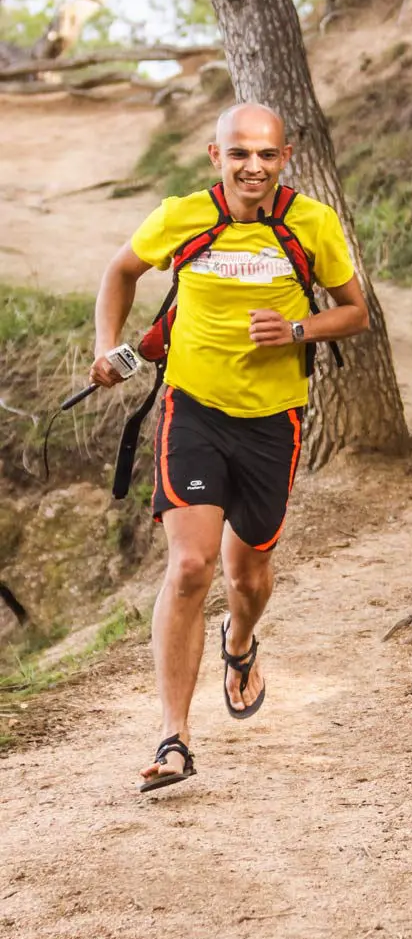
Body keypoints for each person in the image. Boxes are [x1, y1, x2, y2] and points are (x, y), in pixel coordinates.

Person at [91, 102, 369, 791]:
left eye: (267, 155)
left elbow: (355, 311)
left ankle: (239, 643)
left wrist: (300, 331)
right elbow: (121, 272)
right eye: (239, 154)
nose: (253, 167)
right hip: (193, 413)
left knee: (248, 578)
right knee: (189, 567)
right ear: (216, 157)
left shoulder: (311, 225)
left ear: (287, 156)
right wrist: (106, 348)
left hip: (274, 420)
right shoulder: (182, 217)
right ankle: (174, 737)